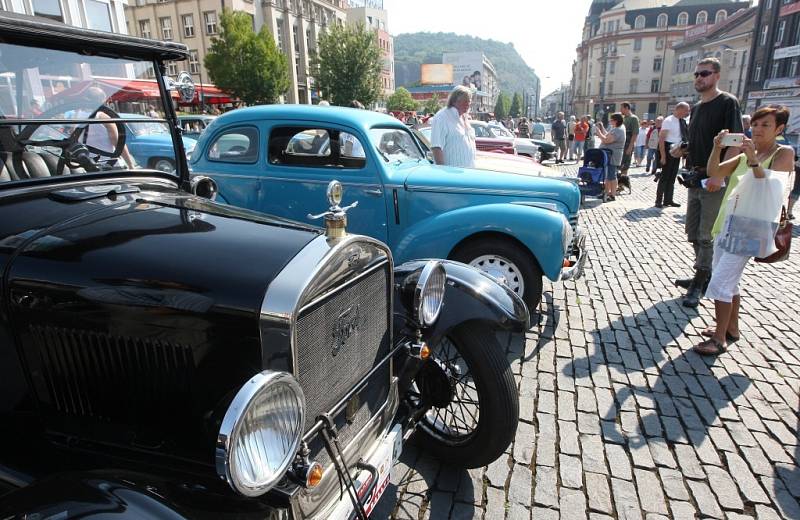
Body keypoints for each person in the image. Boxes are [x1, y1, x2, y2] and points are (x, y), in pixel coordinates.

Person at [694, 105, 794, 355]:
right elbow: (714, 171)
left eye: (766, 125)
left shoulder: (783, 153)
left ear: (779, 129)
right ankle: (731, 328)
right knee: (727, 279)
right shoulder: (743, 154)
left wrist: (751, 159)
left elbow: (770, 187)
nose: (758, 129)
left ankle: (719, 338)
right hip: (728, 221)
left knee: (719, 282)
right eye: (756, 124)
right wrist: (717, 147)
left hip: (753, 227)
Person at [677, 57, 743, 308]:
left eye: (704, 73)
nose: (699, 78)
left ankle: (701, 281)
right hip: (695, 177)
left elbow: (735, 142)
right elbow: (697, 140)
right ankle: (702, 274)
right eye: (696, 74)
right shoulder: (697, 107)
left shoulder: (727, 102)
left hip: (712, 178)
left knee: (706, 235)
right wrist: (682, 149)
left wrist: (720, 175)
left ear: (716, 75)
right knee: (693, 232)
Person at [430, 85, 476, 168]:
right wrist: (443, 174)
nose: (468, 104)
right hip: (451, 176)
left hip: (469, 173)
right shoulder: (441, 117)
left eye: (469, 101)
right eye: (465, 101)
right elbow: (436, 148)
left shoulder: (464, 117)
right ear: (455, 101)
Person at [656, 102, 690, 208]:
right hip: (668, 148)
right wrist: (663, 156)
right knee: (665, 176)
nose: (687, 112)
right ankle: (659, 200)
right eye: (686, 110)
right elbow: (661, 139)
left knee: (672, 176)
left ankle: (668, 199)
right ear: (680, 109)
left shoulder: (682, 121)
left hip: (678, 149)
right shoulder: (668, 121)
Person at [594, 112, 626, 201]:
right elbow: (608, 135)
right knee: (608, 175)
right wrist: (602, 128)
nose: (610, 121)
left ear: (616, 121)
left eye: (611, 120)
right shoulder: (616, 128)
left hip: (613, 155)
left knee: (612, 175)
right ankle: (607, 193)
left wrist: (599, 133)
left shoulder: (618, 130)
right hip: (609, 155)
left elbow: (606, 140)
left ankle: (612, 195)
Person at [620, 102, 639, 176]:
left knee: (625, 165)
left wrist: (630, 147)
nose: (620, 110)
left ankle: (623, 183)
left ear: (627, 108)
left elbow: (635, 133)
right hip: (622, 144)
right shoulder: (624, 118)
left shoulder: (633, 118)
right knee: (620, 164)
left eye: (622, 108)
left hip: (628, 144)